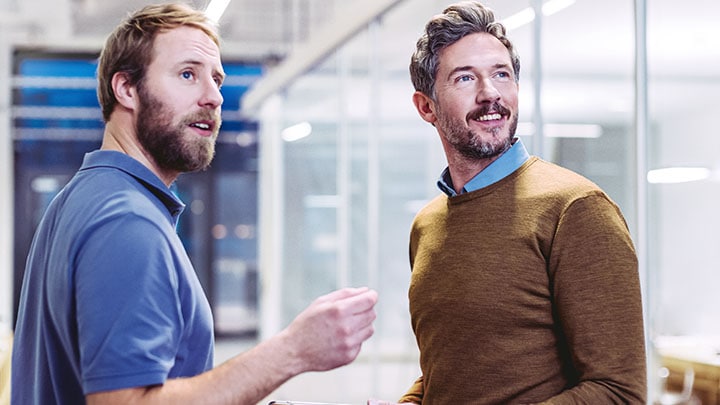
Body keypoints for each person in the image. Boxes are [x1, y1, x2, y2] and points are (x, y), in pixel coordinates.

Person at [11, 3, 377, 404]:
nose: (214, 97)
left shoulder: (82, 200)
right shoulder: (126, 221)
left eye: (217, 80)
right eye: (188, 74)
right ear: (126, 89)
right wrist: (293, 350)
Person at [391, 1, 646, 403]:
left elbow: (618, 393)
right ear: (426, 107)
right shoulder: (427, 225)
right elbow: (447, 369)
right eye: (464, 79)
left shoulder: (576, 209)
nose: (490, 93)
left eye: (501, 74)